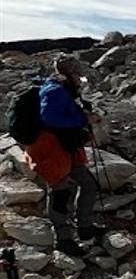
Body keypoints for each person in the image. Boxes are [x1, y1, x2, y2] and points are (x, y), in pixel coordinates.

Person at [22, 56, 104, 256]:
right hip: (50, 148)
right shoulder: (54, 91)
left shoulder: (65, 90)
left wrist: (83, 116)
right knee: (59, 192)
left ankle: (84, 227)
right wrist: (83, 118)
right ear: (69, 74)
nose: (80, 79)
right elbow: (49, 118)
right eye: (78, 74)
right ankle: (63, 239)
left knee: (88, 184)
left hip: (66, 146)